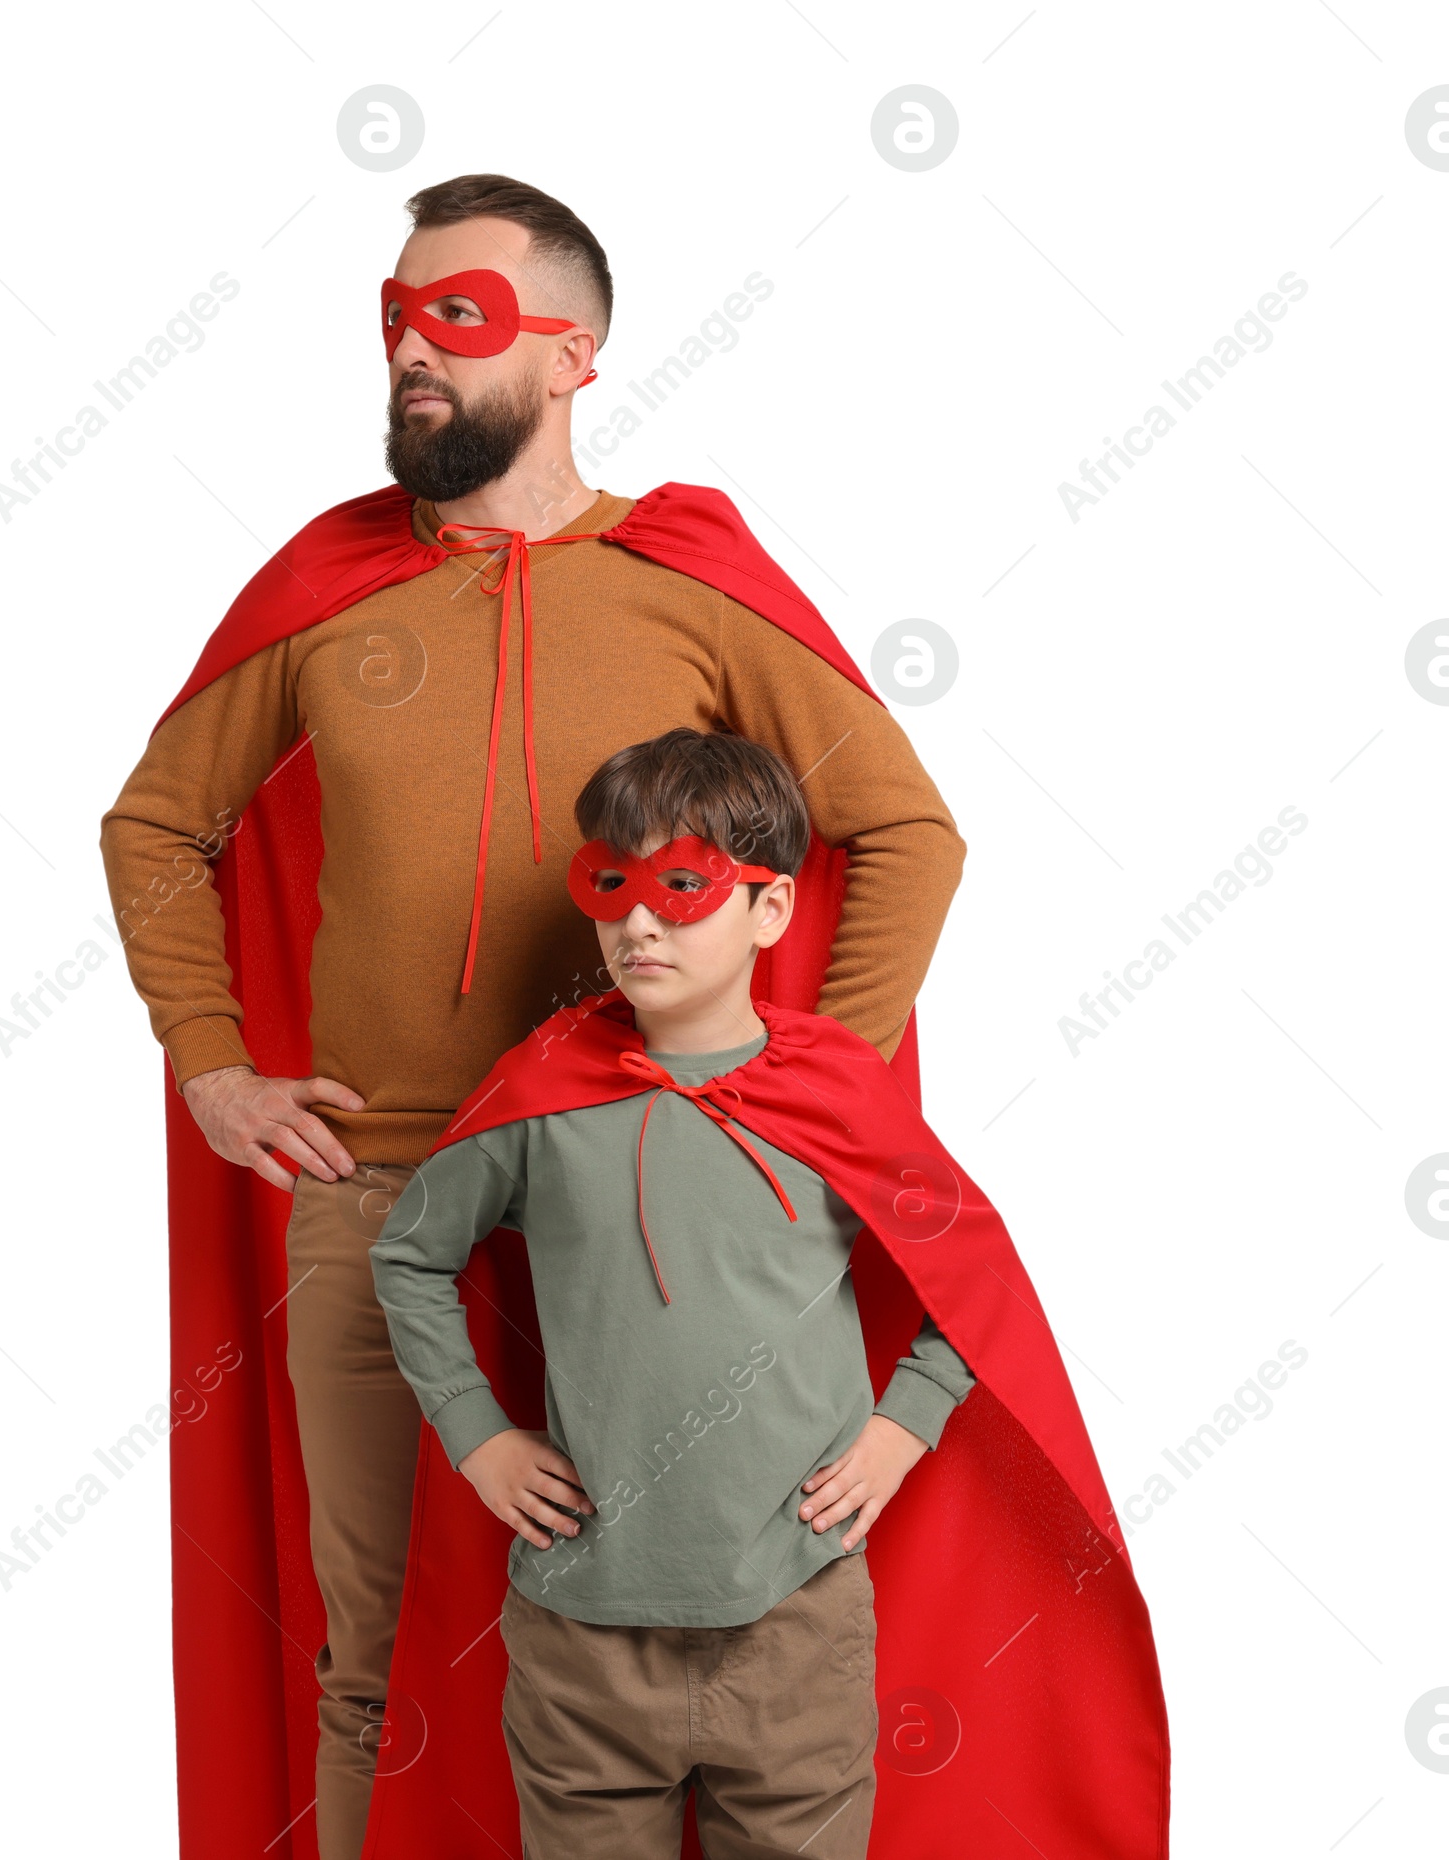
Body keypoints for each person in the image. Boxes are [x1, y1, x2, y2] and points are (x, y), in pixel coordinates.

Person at [99, 173, 967, 1860]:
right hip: (375, 1182)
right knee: (370, 1651)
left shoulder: (688, 580)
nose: (413, 350)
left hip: (658, 1191)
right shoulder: (324, 588)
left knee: (696, 1613)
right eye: (396, 316)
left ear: (572, 354)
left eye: (460, 316)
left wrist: (811, 1084)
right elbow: (156, 824)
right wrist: (209, 1061)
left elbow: (906, 829)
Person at [372, 728, 976, 1857]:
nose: (637, 922)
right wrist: (477, 1435)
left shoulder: (838, 1098)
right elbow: (408, 1257)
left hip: (794, 1620)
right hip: (582, 1635)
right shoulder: (538, 1098)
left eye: (682, 886)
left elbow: (972, 1280)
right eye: (611, 884)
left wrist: (903, 1430)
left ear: (771, 909)